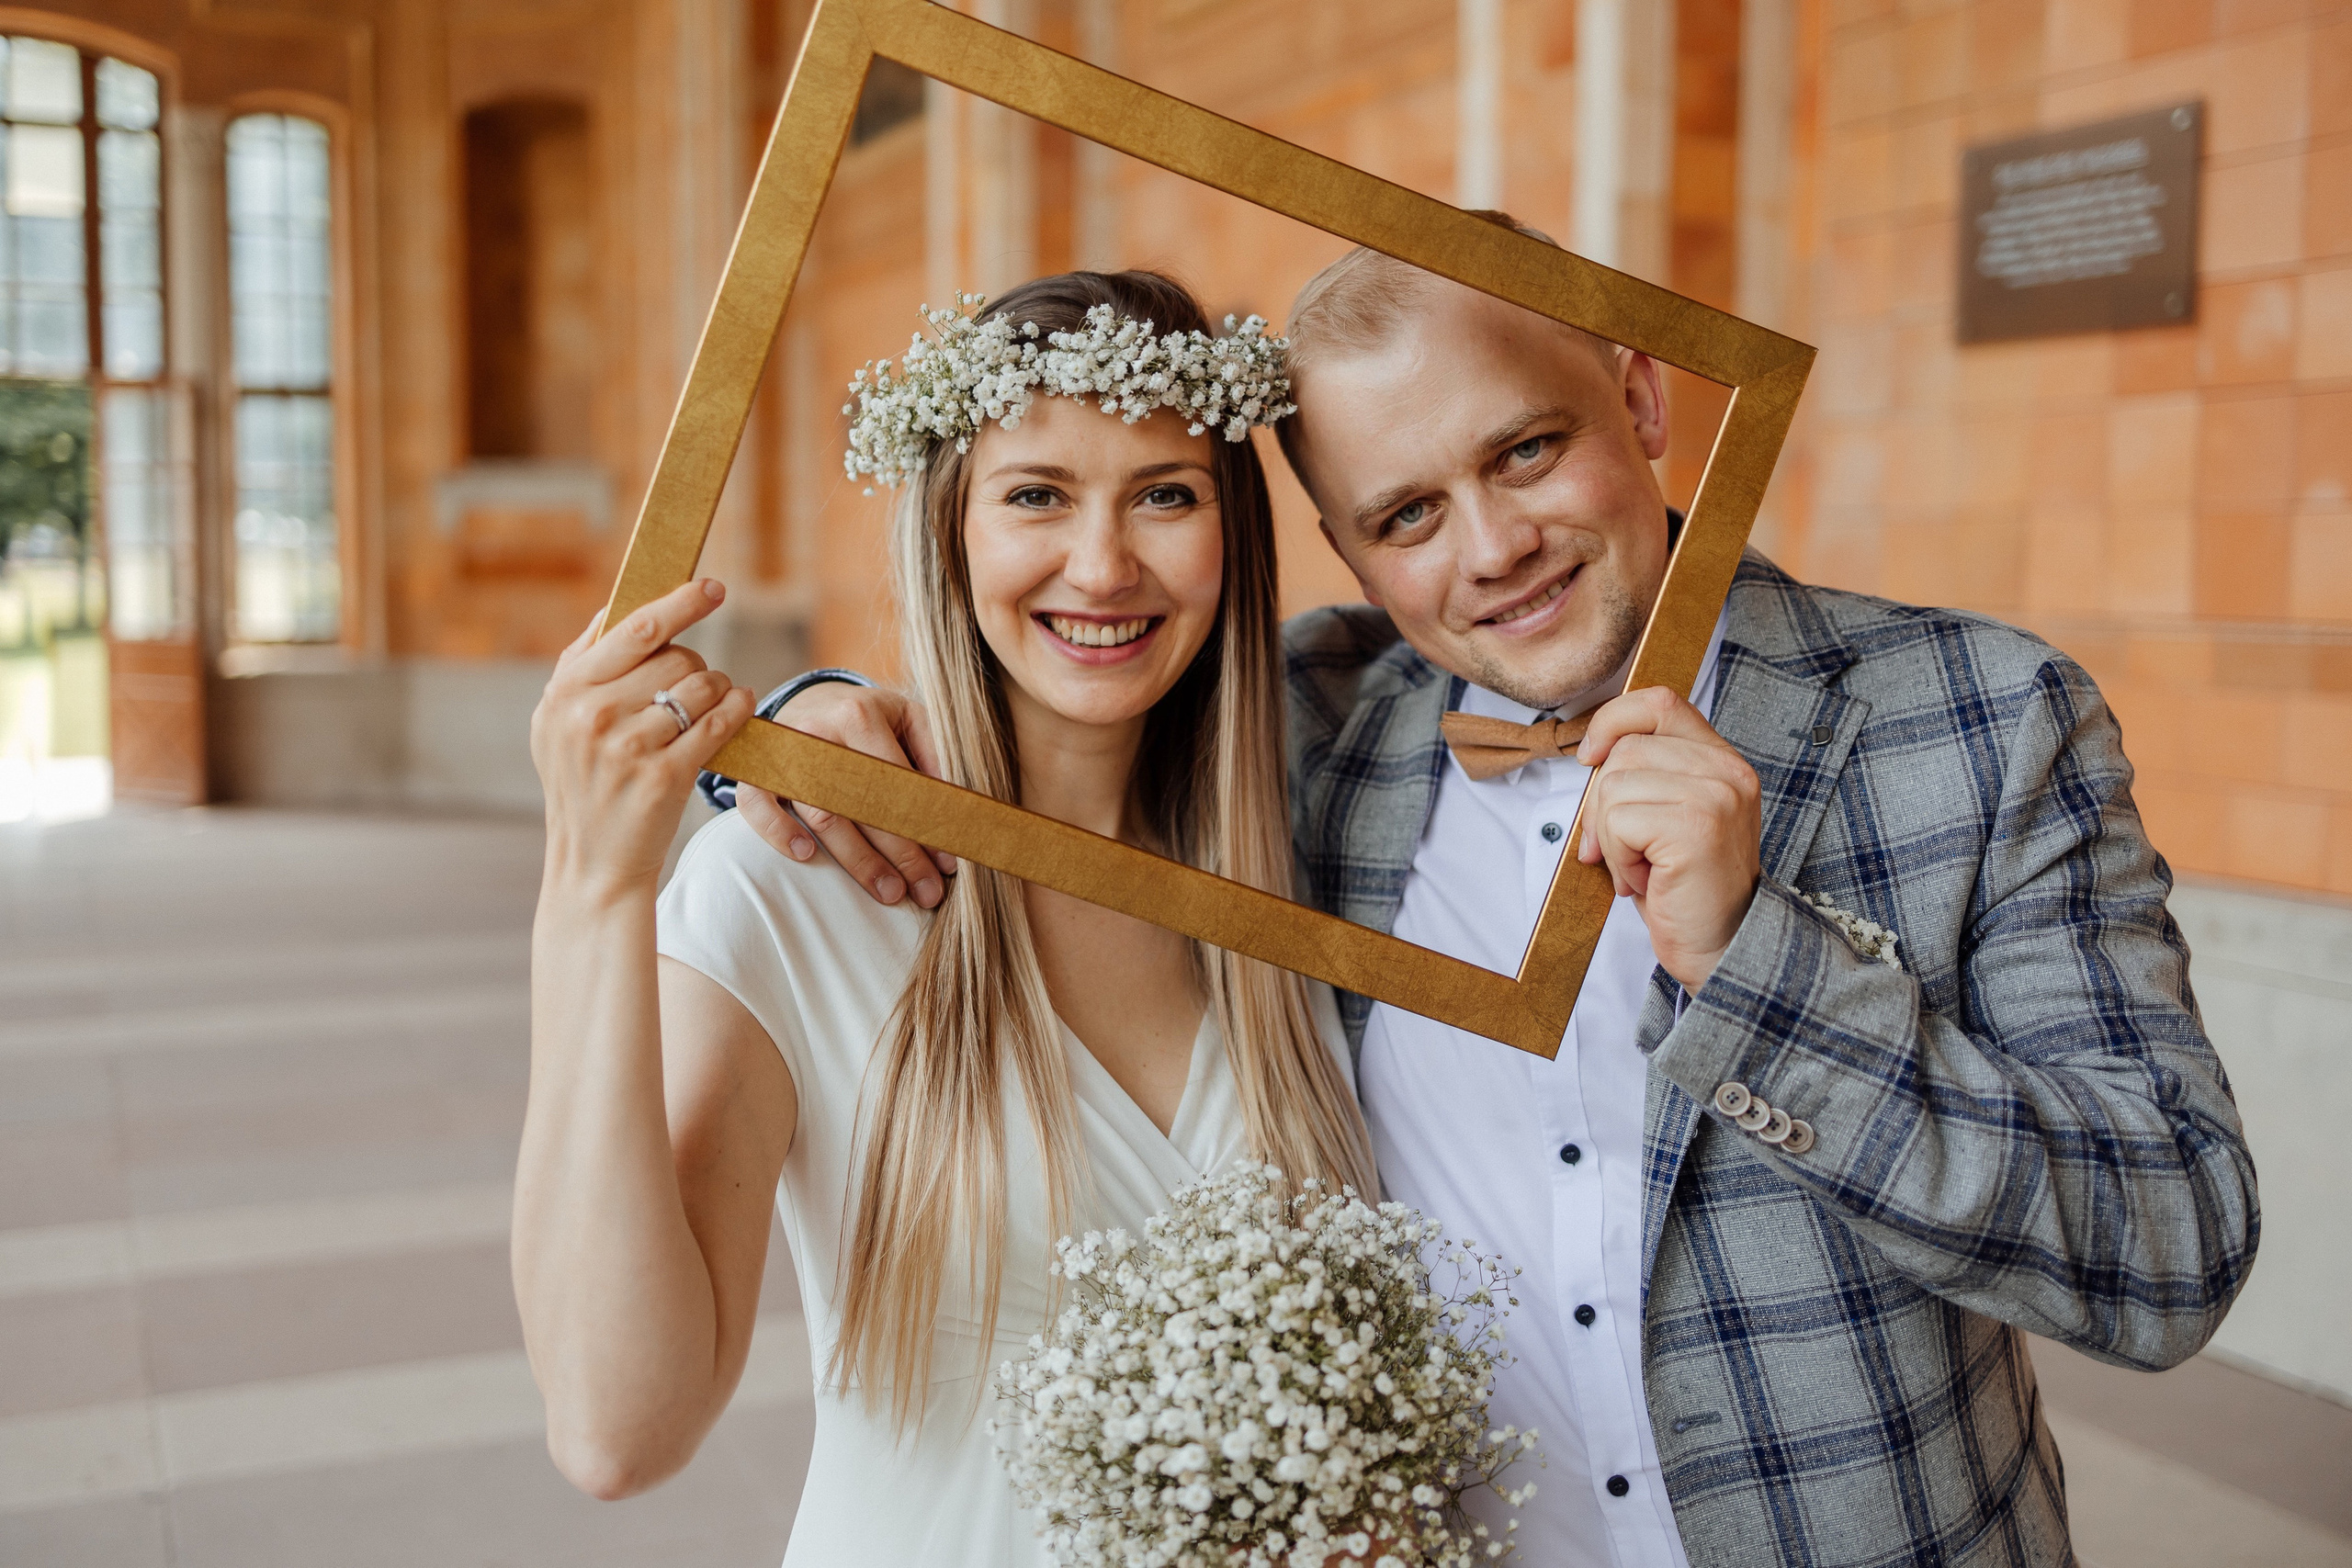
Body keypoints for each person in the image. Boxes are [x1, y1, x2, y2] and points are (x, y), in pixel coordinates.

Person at [745, 216, 2260, 1567]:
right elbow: (1064, 699)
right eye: (1404, 517)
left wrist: (1760, 968)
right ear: (1347, 554)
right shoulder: (1312, 730)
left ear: (1643, 400)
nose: (1493, 549)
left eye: (1526, 451)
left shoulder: (1980, 720)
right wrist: (810, 729)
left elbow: (2174, 1252)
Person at [514, 270, 1376, 1567]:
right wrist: (593, 888)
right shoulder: (793, 886)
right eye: (1035, 495)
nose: (1104, 566)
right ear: (949, 527)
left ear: (1234, 533)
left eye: (1165, 495)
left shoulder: (1311, 859)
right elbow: (616, 1432)